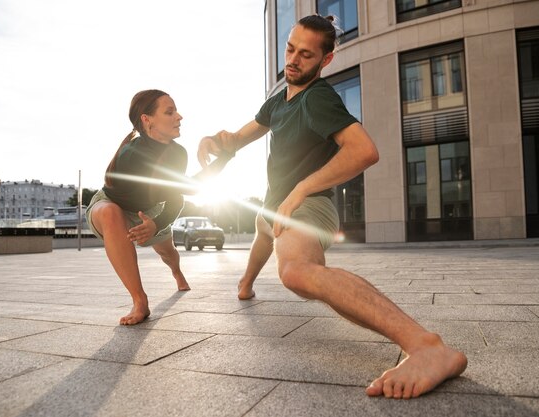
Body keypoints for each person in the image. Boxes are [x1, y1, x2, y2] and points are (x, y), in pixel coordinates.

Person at [198, 15, 467, 399]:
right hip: (275, 208)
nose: (293, 60)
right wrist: (214, 140)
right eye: (290, 49)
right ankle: (246, 285)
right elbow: (238, 139)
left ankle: (426, 346)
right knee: (263, 231)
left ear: (325, 61)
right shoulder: (279, 101)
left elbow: (364, 151)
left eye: (306, 55)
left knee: (295, 271)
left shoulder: (317, 98)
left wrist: (301, 189)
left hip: (308, 207)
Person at [86, 89, 191, 326]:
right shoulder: (131, 154)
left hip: (150, 211)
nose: (179, 117)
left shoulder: (179, 153)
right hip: (112, 205)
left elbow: (176, 199)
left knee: (168, 253)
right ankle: (139, 301)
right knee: (111, 213)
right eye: (170, 112)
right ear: (147, 119)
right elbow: (180, 190)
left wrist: (156, 224)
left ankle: (177, 272)